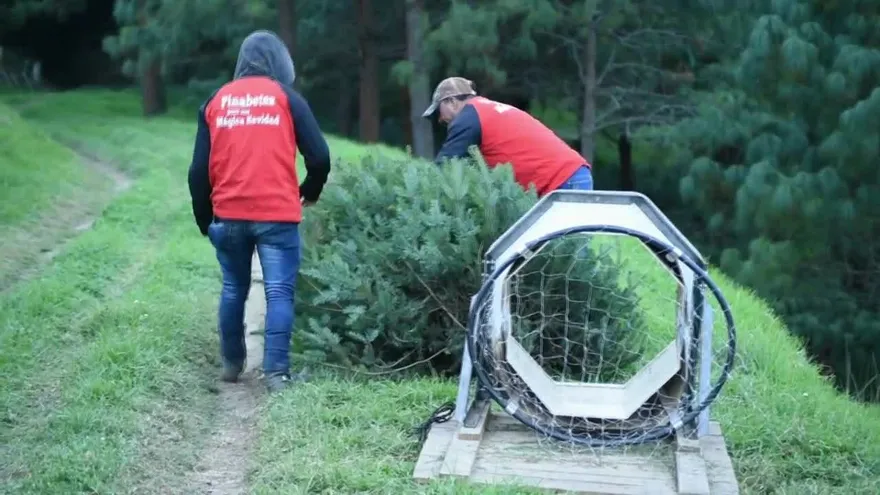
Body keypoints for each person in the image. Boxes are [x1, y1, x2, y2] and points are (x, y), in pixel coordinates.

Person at [187, 30, 331, 393]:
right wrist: (308, 193)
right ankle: (277, 374)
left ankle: (232, 365)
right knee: (279, 292)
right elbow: (320, 157)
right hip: (277, 215)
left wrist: (206, 220)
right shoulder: (287, 98)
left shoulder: (216, 101)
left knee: (234, 288)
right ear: (279, 62)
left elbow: (197, 172)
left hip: (229, 216)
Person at [423, 77, 594, 196]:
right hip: (571, 176)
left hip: (562, 182)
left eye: (439, 111)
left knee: (565, 247)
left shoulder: (468, 117)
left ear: (451, 101)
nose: (440, 119)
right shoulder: (490, 110)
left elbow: (444, 166)